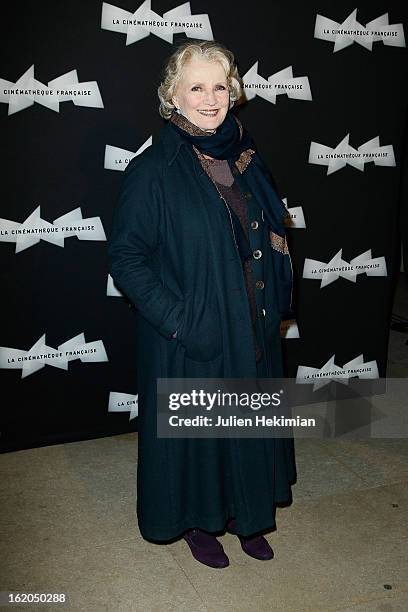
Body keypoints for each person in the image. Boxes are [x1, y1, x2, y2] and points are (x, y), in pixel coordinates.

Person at [107, 40, 297, 569]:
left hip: (252, 323)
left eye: (220, 86)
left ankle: (246, 513)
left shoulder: (244, 156)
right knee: (201, 436)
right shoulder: (154, 170)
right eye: (197, 87)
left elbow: (267, 233)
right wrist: (180, 320)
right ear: (173, 96)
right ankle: (196, 521)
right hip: (193, 330)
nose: (210, 99)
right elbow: (126, 257)